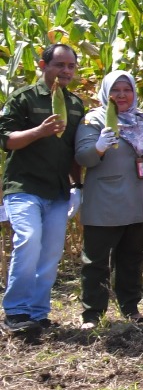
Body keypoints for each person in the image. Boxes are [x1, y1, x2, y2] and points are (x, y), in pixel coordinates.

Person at [1, 44, 85, 333]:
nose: (66, 71)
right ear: (42, 65)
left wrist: (78, 186)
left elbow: (74, 150)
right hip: (24, 186)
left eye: (71, 66)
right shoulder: (24, 98)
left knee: (50, 252)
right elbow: (6, 140)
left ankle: (37, 312)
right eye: (59, 65)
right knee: (28, 240)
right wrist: (39, 131)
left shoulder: (75, 104)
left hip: (58, 190)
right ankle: (15, 311)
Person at [74, 70, 143, 327]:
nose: (122, 95)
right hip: (106, 201)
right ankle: (92, 313)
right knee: (96, 261)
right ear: (106, 92)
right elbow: (84, 158)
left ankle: (130, 307)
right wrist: (99, 146)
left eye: (127, 90)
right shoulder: (93, 121)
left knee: (132, 258)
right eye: (116, 90)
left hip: (140, 200)